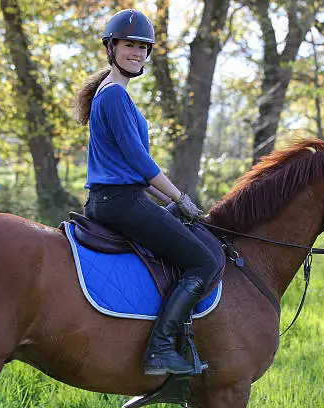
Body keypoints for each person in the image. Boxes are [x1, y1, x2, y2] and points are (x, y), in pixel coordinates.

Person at [72, 9, 219, 376]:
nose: (136, 52)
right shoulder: (114, 97)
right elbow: (139, 162)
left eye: (142, 47)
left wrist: (166, 203)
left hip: (121, 200)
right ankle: (161, 348)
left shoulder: (114, 94)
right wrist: (179, 199)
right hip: (121, 204)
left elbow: (128, 168)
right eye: (129, 45)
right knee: (204, 262)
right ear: (111, 48)